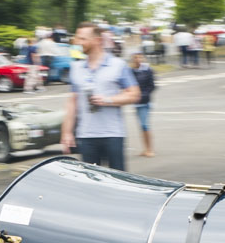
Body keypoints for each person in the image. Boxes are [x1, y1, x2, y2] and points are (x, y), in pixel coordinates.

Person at [61, 22, 140, 171]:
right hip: (85, 135)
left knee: (118, 182)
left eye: (82, 39)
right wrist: (66, 132)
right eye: (78, 39)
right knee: (90, 185)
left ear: (97, 40)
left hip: (112, 134)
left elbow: (135, 94)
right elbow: (72, 102)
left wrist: (108, 100)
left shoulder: (118, 65)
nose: (78, 43)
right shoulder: (76, 68)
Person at [128, 53, 155, 158]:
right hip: (136, 102)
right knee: (142, 126)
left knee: (144, 125)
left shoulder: (147, 70)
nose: (138, 59)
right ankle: (146, 149)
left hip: (145, 101)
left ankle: (149, 149)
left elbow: (152, 86)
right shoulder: (131, 71)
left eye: (140, 57)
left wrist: (142, 96)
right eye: (135, 57)